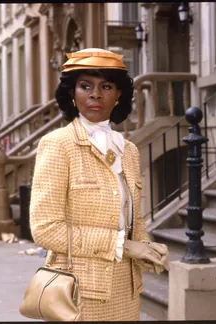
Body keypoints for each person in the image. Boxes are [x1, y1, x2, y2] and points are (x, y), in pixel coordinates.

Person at [29, 48, 164, 321]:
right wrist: (123, 246)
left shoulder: (129, 150)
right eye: (85, 86)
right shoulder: (58, 145)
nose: (95, 94)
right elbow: (45, 229)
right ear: (71, 93)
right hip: (77, 291)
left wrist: (146, 246)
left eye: (106, 86)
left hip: (127, 291)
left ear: (119, 95)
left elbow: (132, 218)